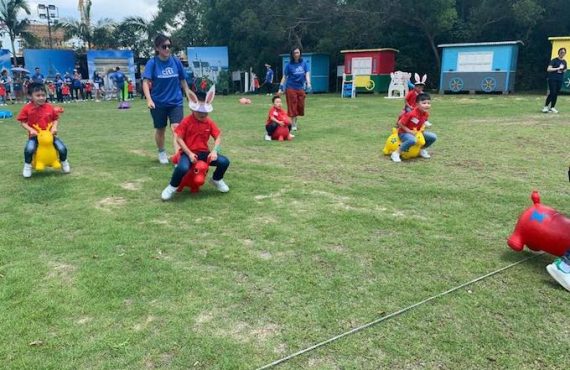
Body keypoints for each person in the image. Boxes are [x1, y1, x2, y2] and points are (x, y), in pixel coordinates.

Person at [161, 83, 230, 200]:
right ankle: (172, 186)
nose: (203, 114)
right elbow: (178, 138)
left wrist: (214, 151)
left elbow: (218, 137)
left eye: (205, 112)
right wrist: (189, 153)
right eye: (200, 112)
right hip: (188, 153)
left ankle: (216, 179)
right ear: (192, 108)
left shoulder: (209, 122)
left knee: (224, 162)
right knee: (182, 168)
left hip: (204, 153)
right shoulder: (186, 122)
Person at [142, 34, 192, 164]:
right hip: (158, 103)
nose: (167, 49)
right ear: (157, 48)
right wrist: (149, 99)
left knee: (177, 128)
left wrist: (188, 95)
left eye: (169, 46)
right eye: (164, 46)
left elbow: (183, 80)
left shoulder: (176, 61)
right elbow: (145, 82)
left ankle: (178, 157)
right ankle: (161, 152)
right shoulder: (152, 63)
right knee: (161, 129)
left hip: (176, 101)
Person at [17, 82, 70, 178]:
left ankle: (64, 162)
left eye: (43, 95)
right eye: (38, 95)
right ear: (30, 96)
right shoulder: (26, 109)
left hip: (49, 136)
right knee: (29, 149)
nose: (41, 98)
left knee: (62, 148)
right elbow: (22, 122)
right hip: (34, 137)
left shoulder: (49, 107)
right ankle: (27, 166)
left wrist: (54, 127)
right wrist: (31, 130)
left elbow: (55, 119)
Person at [390, 93, 437, 163]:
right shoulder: (411, 114)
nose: (427, 105)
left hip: (417, 132)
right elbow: (400, 123)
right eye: (424, 103)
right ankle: (396, 153)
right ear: (417, 104)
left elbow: (422, 122)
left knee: (433, 137)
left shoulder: (426, 114)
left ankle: (421, 150)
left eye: (429, 103)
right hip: (404, 132)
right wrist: (409, 131)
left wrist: (423, 128)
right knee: (412, 140)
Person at [278, 47, 311, 131]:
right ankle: (293, 124)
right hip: (291, 88)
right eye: (295, 53)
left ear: (300, 53)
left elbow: (307, 74)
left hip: (300, 88)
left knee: (300, 105)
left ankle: (294, 122)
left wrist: (308, 83)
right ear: (292, 55)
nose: (296, 54)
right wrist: (281, 87)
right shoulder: (289, 65)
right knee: (293, 106)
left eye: (298, 52)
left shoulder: (304, 64)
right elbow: (284, 77)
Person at [542, 47, 567, 113]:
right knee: (552, 92)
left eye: (564, 52)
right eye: (561, 52)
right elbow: (549, 69)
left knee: (556, 93)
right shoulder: (554, 60)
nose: (562, 53)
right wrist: (557, 68)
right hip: (552, 78)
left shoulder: (564, 62)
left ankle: (552, 107)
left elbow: (565, 69)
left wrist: (563, 70)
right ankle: (545, 107)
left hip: (559, 79)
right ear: (559, 53)